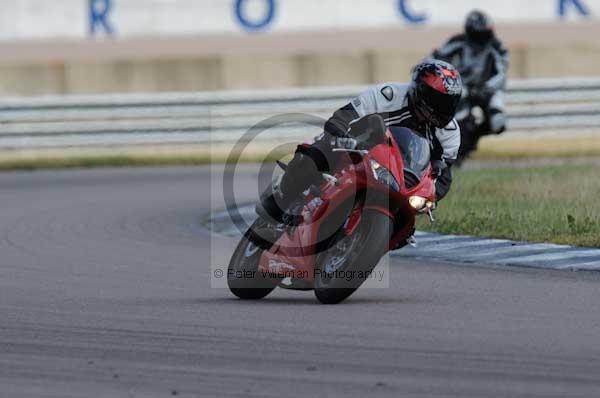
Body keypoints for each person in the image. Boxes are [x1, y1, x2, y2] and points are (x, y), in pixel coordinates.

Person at [257, 60, 463, 224]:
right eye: (437, 101)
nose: (443, 108)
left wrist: (431, 198)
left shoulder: (450, 134)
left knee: (406, 223)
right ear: (420, 90)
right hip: (356, 149)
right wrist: (341, 136)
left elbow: (442, 175)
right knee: (313, 158)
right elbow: (343, 116)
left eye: (449, 103)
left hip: (398, 175)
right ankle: (279, 199)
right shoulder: (389, 95)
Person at [431, 10, 509, 135]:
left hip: (486, 90)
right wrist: (425, 68)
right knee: (456, 115)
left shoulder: (498, 47)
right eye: (476, 35)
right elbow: (435, 57)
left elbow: (501, 74)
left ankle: (476, 135)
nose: (480, 39)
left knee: (498, 121)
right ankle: (459, 136)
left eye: (483, 34)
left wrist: (485, 88)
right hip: (461, 87)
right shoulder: (457, 41)